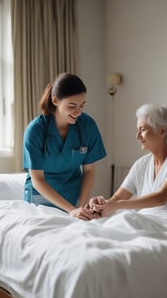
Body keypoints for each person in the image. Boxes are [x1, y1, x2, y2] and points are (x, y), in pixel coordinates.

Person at [89, 103, 167, 222]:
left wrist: (117, 205)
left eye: (142, 129)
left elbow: (161, 198)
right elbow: (117, 198)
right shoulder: (141, 164)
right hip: (146, 219)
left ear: (162, 131)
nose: (137, 136)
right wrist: (100, 206)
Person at [23, 73, 106, 220]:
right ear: (55, 100)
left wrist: (80, 207)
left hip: (72, 197)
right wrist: (71, 210)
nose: (78, 112)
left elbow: (89, 170)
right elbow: (37, 179)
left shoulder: (87, 126)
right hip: (41, 200)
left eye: (82, 105)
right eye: (72, 106)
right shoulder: (35, 131)